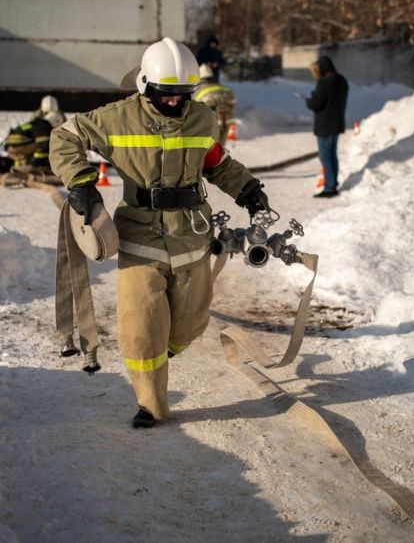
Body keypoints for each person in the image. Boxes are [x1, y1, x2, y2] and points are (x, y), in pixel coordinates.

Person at [49, 37, 271, 429]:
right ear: (145, 85)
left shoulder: (203, 118)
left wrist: (249, 191)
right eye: (166, 95)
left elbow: (217, 162)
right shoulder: (116, 118)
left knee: (190, 322)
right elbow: (65, 136)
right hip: (140, 235)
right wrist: (82, 182)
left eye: (183, 95)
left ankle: (163, 348)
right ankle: (150, 403)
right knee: (141, 323)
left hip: (191, 235)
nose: (175, 103)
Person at [304, 56, 348, 198]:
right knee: (332, 155)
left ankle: (329, 187)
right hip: (337, 124)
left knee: (325, 157)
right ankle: (333, 184)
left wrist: (310, 98)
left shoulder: (324, 82)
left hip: (325, 125)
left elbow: (315, 104)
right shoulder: (342, 80)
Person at [4, 95, 66, 173]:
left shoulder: (35, 122)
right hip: (19, 146)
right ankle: (30, 166)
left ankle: (20, 164)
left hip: (11, 146)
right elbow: (44, 146)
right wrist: (37, 162)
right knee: (47, 144)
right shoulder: (43, 126)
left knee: (34, 143)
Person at [193, 64, 236, 146]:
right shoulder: (222, 87)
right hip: (228, 117)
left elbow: (196, 107)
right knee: (221, 144)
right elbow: (232, 102)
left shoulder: (199, 89)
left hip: (212, 118)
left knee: (211, 146)